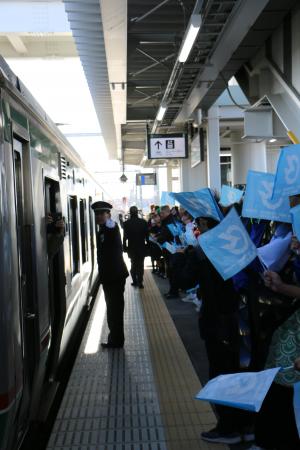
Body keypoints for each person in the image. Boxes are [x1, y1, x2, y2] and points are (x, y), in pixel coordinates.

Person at [92, 201, 129, 349]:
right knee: (113, 308)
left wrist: (109, 224)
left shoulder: (110, 228)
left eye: (102, 213)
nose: (99, 216)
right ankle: (115, 337)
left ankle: (116, 341)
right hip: (111, 277)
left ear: (108, 214)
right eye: (97, 214)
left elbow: (112, 228)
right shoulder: (102, 229)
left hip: (114, 277)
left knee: (115, 309)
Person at [123, 205, 149, 288]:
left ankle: (134, 281)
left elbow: (125, 237)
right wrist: (147, 245)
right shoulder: (143, 222)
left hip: (131, 248)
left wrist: (124, 247)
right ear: (137, 212)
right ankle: (140, 282)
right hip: (141, 247)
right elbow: (147, 236)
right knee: (141, 265)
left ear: (130, 213)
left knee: (133, 264)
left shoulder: (126, 223)